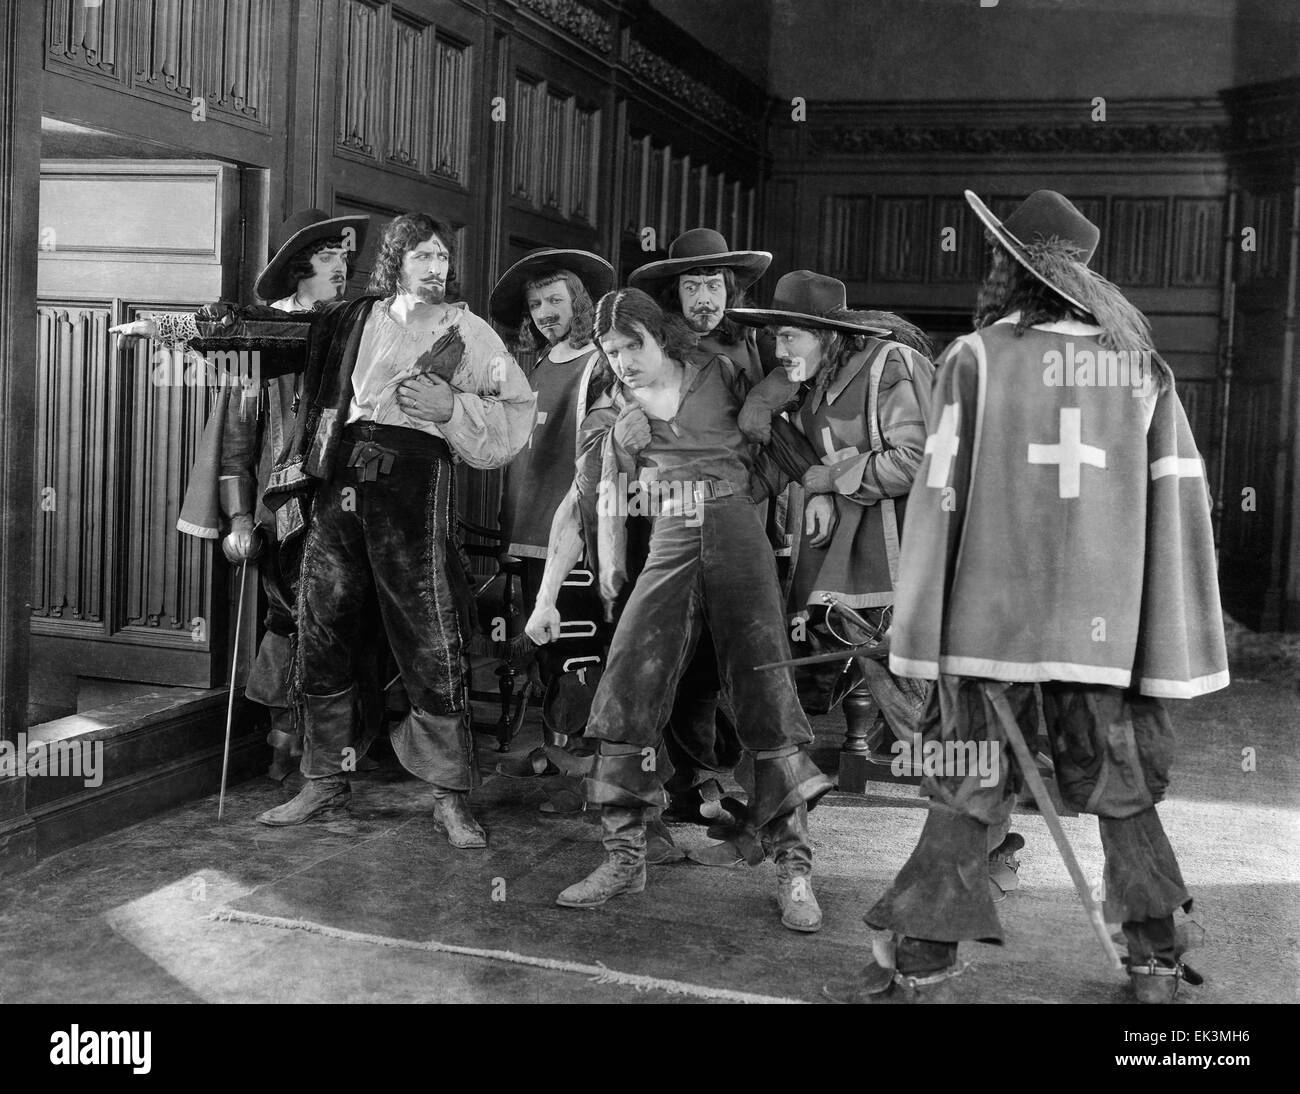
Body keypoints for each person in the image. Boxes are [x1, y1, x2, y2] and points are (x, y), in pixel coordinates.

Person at [823, 190, 1229, 1003]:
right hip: (1103, 636)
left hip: (988, 628)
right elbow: (1179, 509)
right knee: (1125, 788)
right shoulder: (1139, 366)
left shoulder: (974, 358)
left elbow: (938, 499)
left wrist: (919, 630)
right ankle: (1154, 961)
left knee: (963, 781)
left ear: (1016, 269)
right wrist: (1163, 641)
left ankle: (924, 965)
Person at [526, 288, 834, 932]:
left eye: (632, 346)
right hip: (670, 537)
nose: (624, 362)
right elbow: (577, 506)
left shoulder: (724, 374)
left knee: (767, 691)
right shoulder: (611, 412)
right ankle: (625, 855)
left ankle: (794, 866)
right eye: (611, 353)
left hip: (738, 535)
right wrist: (546, 596)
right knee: (626, 687)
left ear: (659, 334)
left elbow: (799, 393)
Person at [255, 212, 536, 849]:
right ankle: (324, 778)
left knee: (428, 629)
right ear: (396, 263)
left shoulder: (470, 332)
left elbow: (517, 408)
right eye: (422, 257)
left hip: (413, 484)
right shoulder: (356, 318)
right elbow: (268, 326)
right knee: (323, 623)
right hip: (341, 478)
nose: (435, 268)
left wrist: (453, 407)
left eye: (442, 257)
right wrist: (166, 327)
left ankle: (449, 796)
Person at [111, 209, 377, 783]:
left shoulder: (357, 327)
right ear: (300, 267)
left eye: (344, 257)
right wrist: (236, 517)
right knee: (291, 623)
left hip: (356, 503)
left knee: (349, 623)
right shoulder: (265, 335)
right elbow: (235, 444)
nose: (342, 267)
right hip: (288, 510)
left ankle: (340, 749)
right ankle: (289, 744)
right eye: (330, 257)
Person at [730, 270, 935, 778]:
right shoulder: (812, 385)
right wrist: (718, 500)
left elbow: (918, 458)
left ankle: (978, 825)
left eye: (789, 335)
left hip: (902, 561)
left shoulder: (890, 368)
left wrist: (830, 479)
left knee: (915, 700)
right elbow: (783, 467)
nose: (779, 348)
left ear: (827, 334)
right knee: (893, 692)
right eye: (775, 336)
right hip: (847, 567)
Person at [625, 228, 776, 824]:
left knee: (736, 652)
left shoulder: (754, 348)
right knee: (673, 654)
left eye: (714, 283)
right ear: (676, 295)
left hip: (743, 519)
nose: (705, 297)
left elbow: (778, 433)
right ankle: (686, 781)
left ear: (729, 289)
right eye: (693, 285)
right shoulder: (657, 351)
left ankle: (742, 781)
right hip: (668, 520)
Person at [486, 249, 613, 803]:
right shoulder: (533, 362)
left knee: (578, 642)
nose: (543, 312)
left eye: (555, 300)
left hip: (573, 528)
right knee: (541, 643)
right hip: (524, 520)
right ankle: (551, 746)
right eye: (536, 304)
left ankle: (584, 761)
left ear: (578, 303)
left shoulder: (600, 361)